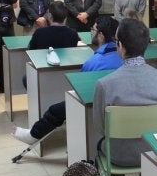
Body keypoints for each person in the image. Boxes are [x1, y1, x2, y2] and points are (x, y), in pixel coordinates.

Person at [93, 18, 157, 176]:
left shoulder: (105, 84)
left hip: (118, 156)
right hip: (153, 153)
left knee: (99, 146)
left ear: (119, 46)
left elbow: (100, 128)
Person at [12, 16, 121, 144]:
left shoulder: (93, 61)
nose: (92, 31)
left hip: (95, 105)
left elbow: (81, 90)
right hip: (117, 103)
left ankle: (33, 135)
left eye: (93, 29)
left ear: (101, 35)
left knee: (55, 110)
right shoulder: (123, 56)